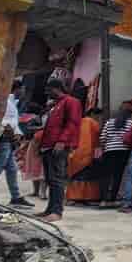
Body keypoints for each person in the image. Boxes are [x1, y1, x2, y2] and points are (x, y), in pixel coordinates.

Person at [38, 78, 82, 222]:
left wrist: (62, 141)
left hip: (58, 146)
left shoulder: (71, 102)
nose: (47, 93)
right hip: (48, 147)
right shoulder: (56, 105)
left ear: (56, 88)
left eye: (49, 90)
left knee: (57, 179)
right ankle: (50, 210)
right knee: (50, 179)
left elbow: (72, 123)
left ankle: (57, 212)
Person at [0, 80, 34, 207]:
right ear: (17, 89)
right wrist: (14, 134)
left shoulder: (12, 102)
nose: (24, 92)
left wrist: (17, 133)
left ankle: (16, 196)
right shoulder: (7, 102)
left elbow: (12, 122)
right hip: (4, 139)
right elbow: (4, 122)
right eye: (23, 89)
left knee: (12, 169)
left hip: (8, 139)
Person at [98, 108, 132, 208]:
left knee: (106, 175)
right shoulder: (131, 123)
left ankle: (103, 200)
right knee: (118, 176)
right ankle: (113, 199)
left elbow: (102, 138)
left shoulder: (109, 123)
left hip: (109, 151)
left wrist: (104, 147)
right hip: (123, 151)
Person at [66, 107, 103, 205]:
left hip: (75, 152)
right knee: (87, 175)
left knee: (76, 175)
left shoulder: (78, 122)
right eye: (99, 116)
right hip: (87, 153)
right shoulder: (93, 123)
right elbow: (97, 140)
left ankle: (73, 197)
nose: (99, 118)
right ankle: (88, 197)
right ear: (93, 114)